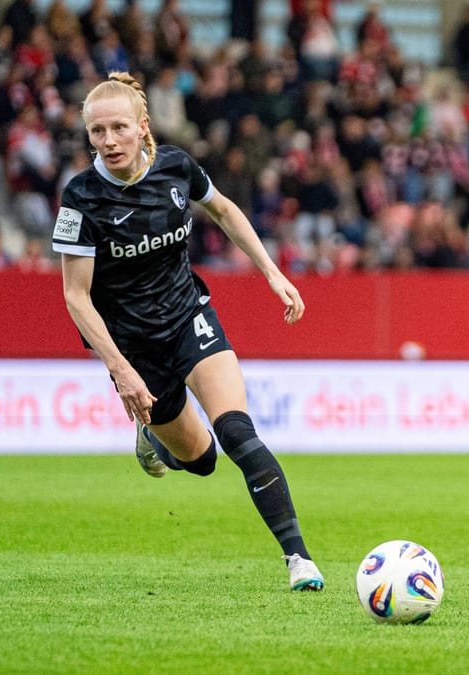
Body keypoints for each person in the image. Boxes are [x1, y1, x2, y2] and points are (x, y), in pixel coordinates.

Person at [51, 72, 323, 592]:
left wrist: (272, 272)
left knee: (238, 433)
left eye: (118, 128)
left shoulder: (176, 165)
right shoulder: (80, 198)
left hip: (188, 316)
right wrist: (121, 371)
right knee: (201, 462)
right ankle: (152, 436)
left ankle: (299, 560)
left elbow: (222, 209)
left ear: (142, 127)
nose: (108, 141)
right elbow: (76, 296)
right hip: (133, 347)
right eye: (97, 132)